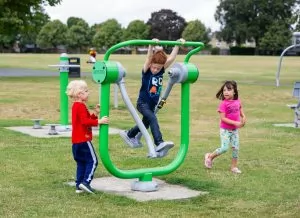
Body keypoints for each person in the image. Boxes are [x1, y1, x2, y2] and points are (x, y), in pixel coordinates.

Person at [120, 38, 185, 157]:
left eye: (158, 68)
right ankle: (159, 143)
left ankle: (129, 134)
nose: (155, 70)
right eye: (154, 67)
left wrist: (177, 45)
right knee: (153, 119)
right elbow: (148, 58)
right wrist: (151, 45)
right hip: (142, 103)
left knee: (145, 124)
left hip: (152, 105)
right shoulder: (146, 71)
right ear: (150, 65)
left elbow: (171, 58)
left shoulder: (161, 71)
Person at [66, 80, 109, 194]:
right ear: (79, 94)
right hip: (83, 140)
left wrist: (96, 113)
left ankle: (79, 186)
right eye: (86, 91)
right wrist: (99, 121)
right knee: (93, 161)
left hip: (76, 142)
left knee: (81, 162)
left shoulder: (76, 106)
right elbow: (85, 122)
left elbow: (85, 119)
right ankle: (86, 182)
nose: (88, 93)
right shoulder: (80, 106)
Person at [204, 80, 246, 174]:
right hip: (225, 130)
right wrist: (236, 123)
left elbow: (240, 110)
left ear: (234, 91)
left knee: (235, 148)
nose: (226, 92)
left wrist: (244, 117)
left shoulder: (237, 101)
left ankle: (234, 167)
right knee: (224, 148)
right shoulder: (223, 104)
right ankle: (210, 157)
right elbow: (223, 118)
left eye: (229, 90)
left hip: (234, 130)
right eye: (224, 90)